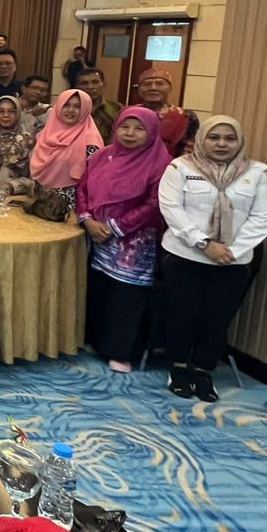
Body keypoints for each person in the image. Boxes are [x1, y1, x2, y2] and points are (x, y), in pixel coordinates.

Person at [158, 115, 267, 401]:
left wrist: (232, 250)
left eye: (229, 138)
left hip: (232, 262)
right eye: (214, 137)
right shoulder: (180, 168)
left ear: (240, 142)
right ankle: (178, 368)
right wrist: (204, 244)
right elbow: (172, 209)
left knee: (217, 319)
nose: (222, 144)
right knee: (182, 315)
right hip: (185, 255)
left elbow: (262, 217)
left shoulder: (258, 173)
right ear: (201, 139)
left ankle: (203, 370)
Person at [76, 107, 171, 372]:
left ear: (152, 132)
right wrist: (87, 219)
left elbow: (155, 204)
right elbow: (83, 187)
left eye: (139, 128)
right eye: (124, 127)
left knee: (127, 295)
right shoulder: (102, 156)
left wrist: (115, 227)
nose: (130, 133)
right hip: (98, 234)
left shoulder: (161, 163)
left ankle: (121, 351)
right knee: (100, 289)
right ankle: (97, 341)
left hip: (134, 241)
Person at [29, 88, 102, 207]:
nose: (71, 110)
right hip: (40, 202)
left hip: (71, 207)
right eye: (66, 105)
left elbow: (93, 181)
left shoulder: (91, 141)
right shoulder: (45, 135)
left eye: (77, 106)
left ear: (85, 109)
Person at [138, 66, 196, 157]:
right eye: (147, 84)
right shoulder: (128, 114)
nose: (153, 88)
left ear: (170, 88)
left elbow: (188, 153)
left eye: (160, 84)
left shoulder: (185, 116)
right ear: (139, 90)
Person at [78, 67, 123, 143]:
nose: (90, 87)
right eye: (84, 83)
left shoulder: (117, 109)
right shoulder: (71, 110)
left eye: (95, 82)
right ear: (77, 87)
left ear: (104, 85)